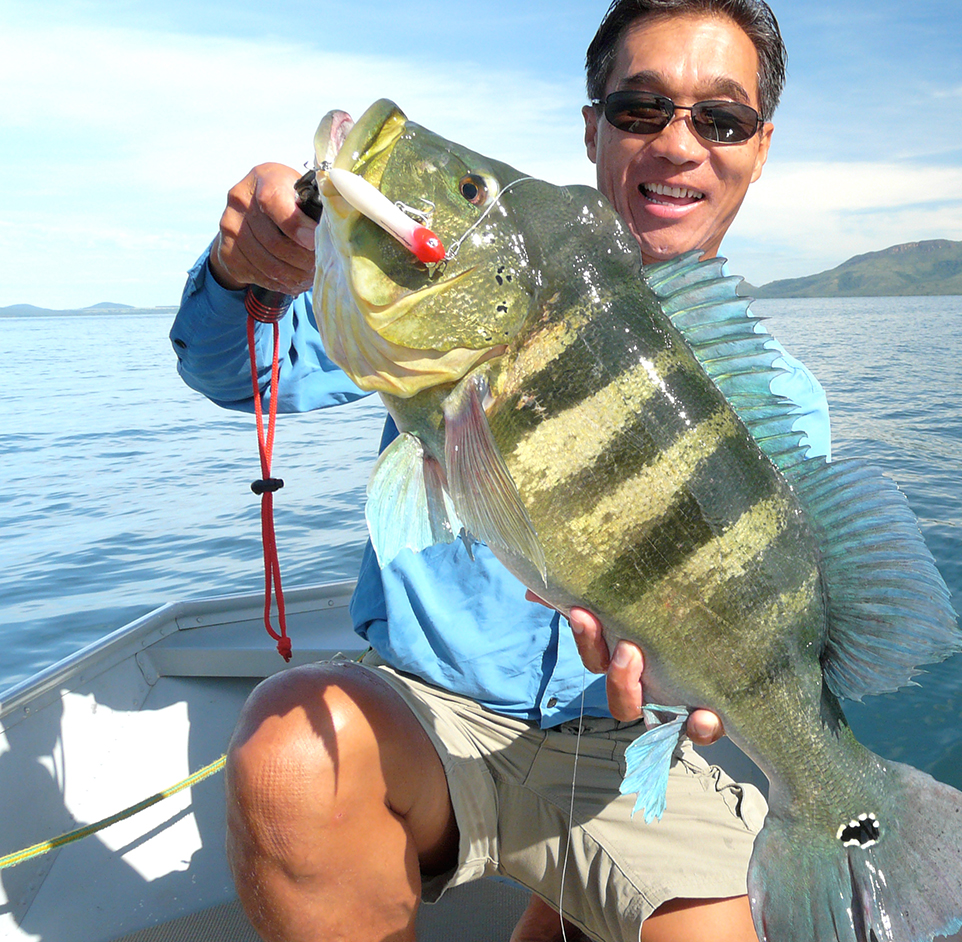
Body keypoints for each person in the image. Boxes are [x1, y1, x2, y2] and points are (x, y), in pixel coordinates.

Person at [169, 2, 827, 940]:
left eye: (720, 119)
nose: (679, 144)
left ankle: (554, 906)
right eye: (641, 108)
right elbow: (232, 367)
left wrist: (705, 696)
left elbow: (768, 630)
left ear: (760, 148)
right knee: (289, 754)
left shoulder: (781, 404)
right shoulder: (441, 293)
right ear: (592, 126)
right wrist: (254, 270)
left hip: (630, 753)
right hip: (431, 722)